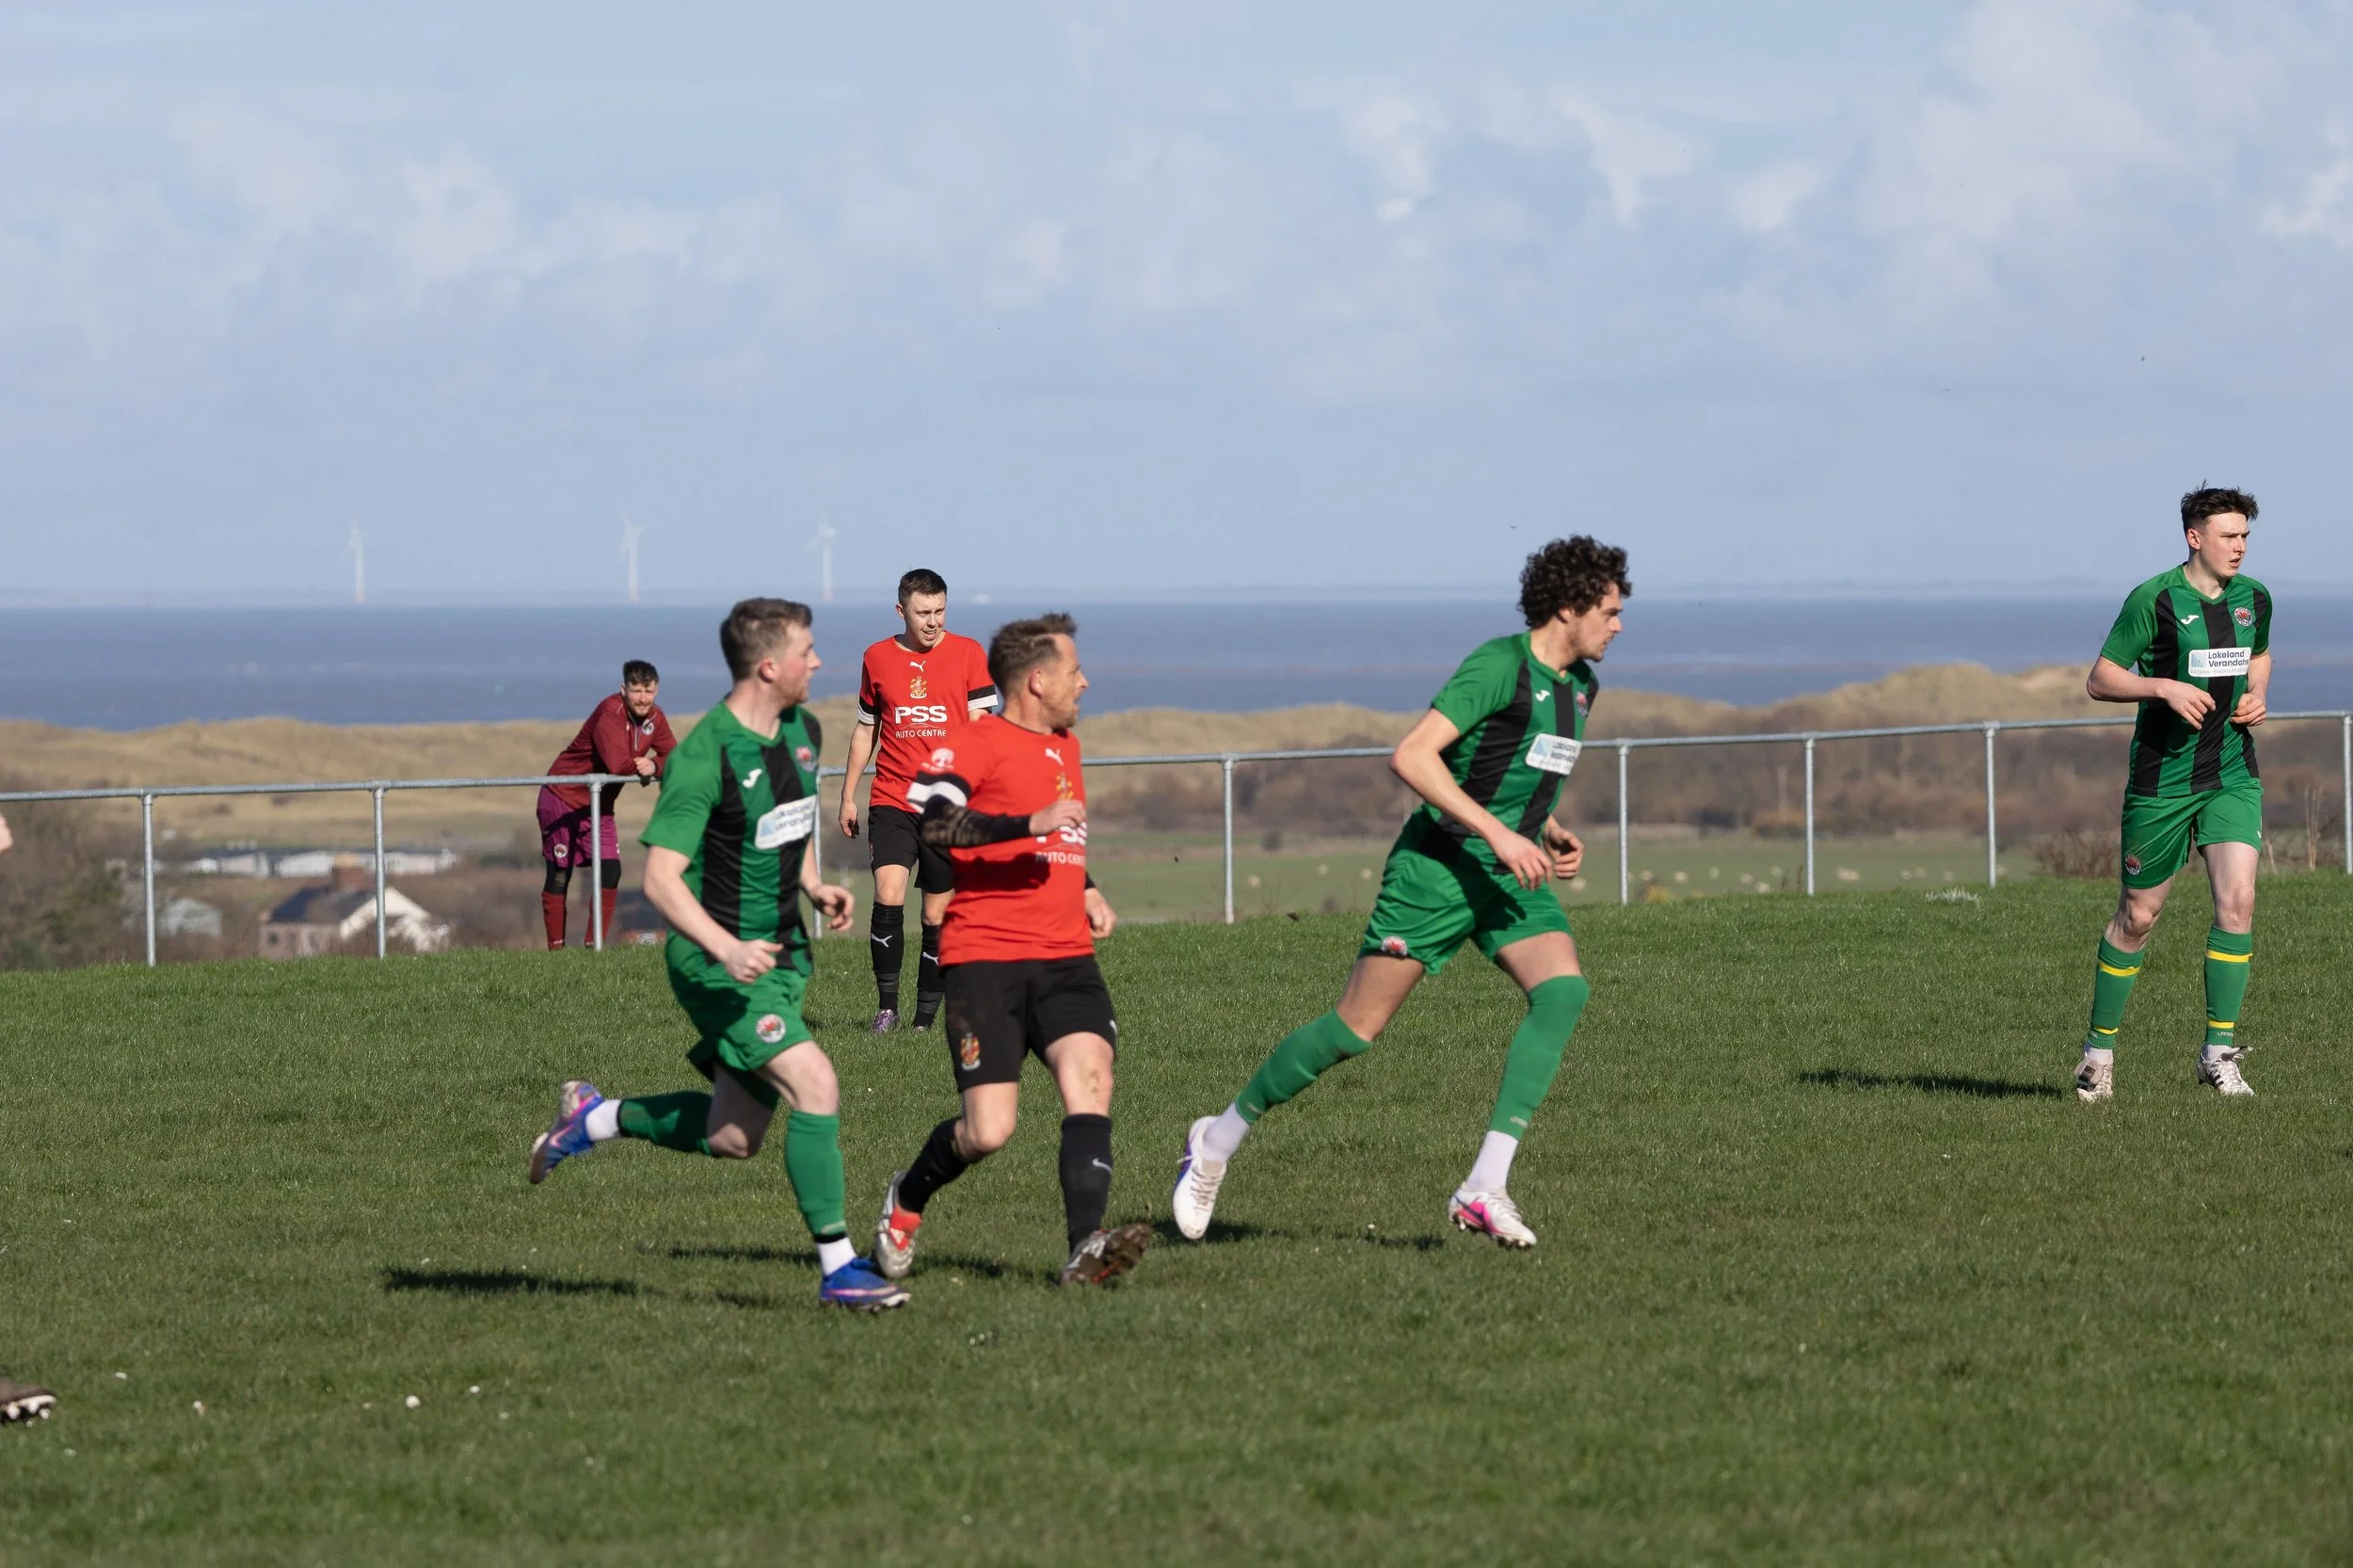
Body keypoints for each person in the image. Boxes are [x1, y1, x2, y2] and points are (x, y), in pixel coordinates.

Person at [1171, 537, 1628, 1251]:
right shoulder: (1498, 665)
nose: (1618, 625)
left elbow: (1507, 772)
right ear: (1567, 607)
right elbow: (1412, 756)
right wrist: (1503, 837)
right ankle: (1216, 1140)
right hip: (1438, 869)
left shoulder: (1580, 689)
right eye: (1609, 610)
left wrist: (1546, 830)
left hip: (1506, 875)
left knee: (1563, 991)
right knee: (1354, 1031)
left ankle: (1485, 1186)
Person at [526, 600, 904, 1310]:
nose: (819, 662)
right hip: (715, 961)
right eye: (808, 651)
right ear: (769, 665)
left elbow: (782, 831)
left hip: (782, 957)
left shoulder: (803, 729)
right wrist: (727, 948)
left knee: (734, 1137)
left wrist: (816, 887)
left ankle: (593, 1118)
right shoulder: (704, 756)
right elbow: (660, 879)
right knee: (816, 1084)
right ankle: (839, 1270)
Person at [869, 614, 1151, 1288]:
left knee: (1091, 1082)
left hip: (1066, 957)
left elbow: (1060, 838)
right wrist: (1027, 823)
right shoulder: (976, 742)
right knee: (987, 1132)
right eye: (1074, 669)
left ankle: (1086, 1248)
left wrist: (1086, 887)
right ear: (1037, 680)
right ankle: (906, 1201)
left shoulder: (1067, 746)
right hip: (983, 959)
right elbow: (934, 823)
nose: (1086, 681)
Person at [2073, 488, 2272, 1102]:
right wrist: (2162, 689)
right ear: (2195, 537)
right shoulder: (2154, 599)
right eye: (2228, 536)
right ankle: (2098, 1054)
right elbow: (2100, 679)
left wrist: (2255, 697)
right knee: (2138, 916)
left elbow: (2258, 655)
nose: (2239, 546)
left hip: (2231, 773)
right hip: (2162, 782)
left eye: (2244, 535)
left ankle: (2218, 1052)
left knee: (2237, 902)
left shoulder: (2254, 598)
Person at [839, 569, 999, 1032]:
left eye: (940, 611)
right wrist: (848, 795)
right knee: (887, 895)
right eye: (923, 613)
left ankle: (924, 1020)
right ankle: (886, 1008)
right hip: (891, 797)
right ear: (901, 611)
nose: (933, 621)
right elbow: (867, 728)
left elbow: (981, 726)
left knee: (935, 913)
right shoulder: (877, 657)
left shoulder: (969, 653)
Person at [536, 660, 676, 950]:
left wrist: (654, 764)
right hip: (562, 798)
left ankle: (593, 949)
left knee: (611, 870)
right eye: (636, 691)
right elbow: (617, 765)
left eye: (648, 691)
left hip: (599, 804)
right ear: (623, 690)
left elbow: (675, 757)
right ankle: (556, 951)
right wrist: (645, 767)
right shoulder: (609, 714)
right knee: (560, 873)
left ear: (657, 690)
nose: (643, 698)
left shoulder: (656, 719)